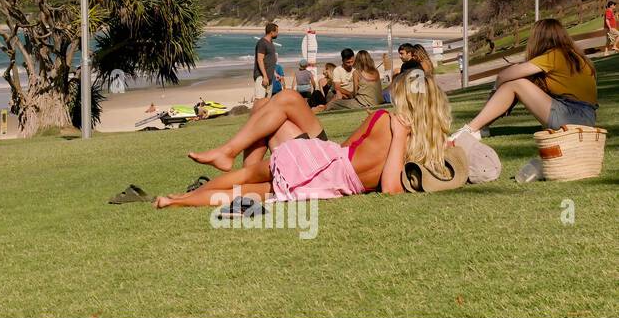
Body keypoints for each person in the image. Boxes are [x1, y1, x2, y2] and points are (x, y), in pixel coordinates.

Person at [158, 72, 448, 207]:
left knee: (246, 174)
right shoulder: (416, 145)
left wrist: (392, 134)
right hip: (332, 186)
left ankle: (182, 196)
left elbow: (346, 148)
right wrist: (400, 140)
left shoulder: (385, 120)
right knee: (248, 193)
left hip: (323, 161)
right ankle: (175, 202)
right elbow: (390, 190)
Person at [449, 18, 597, 141]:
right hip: (585, 117)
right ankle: (482, 127)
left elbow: (503, 75)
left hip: (572, 115)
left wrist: (495, 90)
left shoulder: (555, 55)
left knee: (515, 83)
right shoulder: (574, 56)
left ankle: (471, 129)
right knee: (517, 82)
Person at [318, 50, 383, 111]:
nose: (351, 64)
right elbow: (337, 88)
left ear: (356, 59)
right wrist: (349, 94)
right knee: (338, 95)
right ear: (343, 60)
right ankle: (323, 106)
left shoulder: (356, 72)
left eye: (352, 61)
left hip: (363, 102)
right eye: (348, 62)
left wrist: (352, 95)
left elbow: (355, 93)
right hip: (376, 101)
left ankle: (320, 109)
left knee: (333, 104)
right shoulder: (376, 71)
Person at [252, 23, 279, 100]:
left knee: (267, 102)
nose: (277, 33)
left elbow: (270, 60)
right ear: (271, 32)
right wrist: (265, 76)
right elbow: (260, 60)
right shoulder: (262, 43)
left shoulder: (271, 43)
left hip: (269, 77)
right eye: (276, 31)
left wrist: (275, 73)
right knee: (260, 100)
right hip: (262, 77)